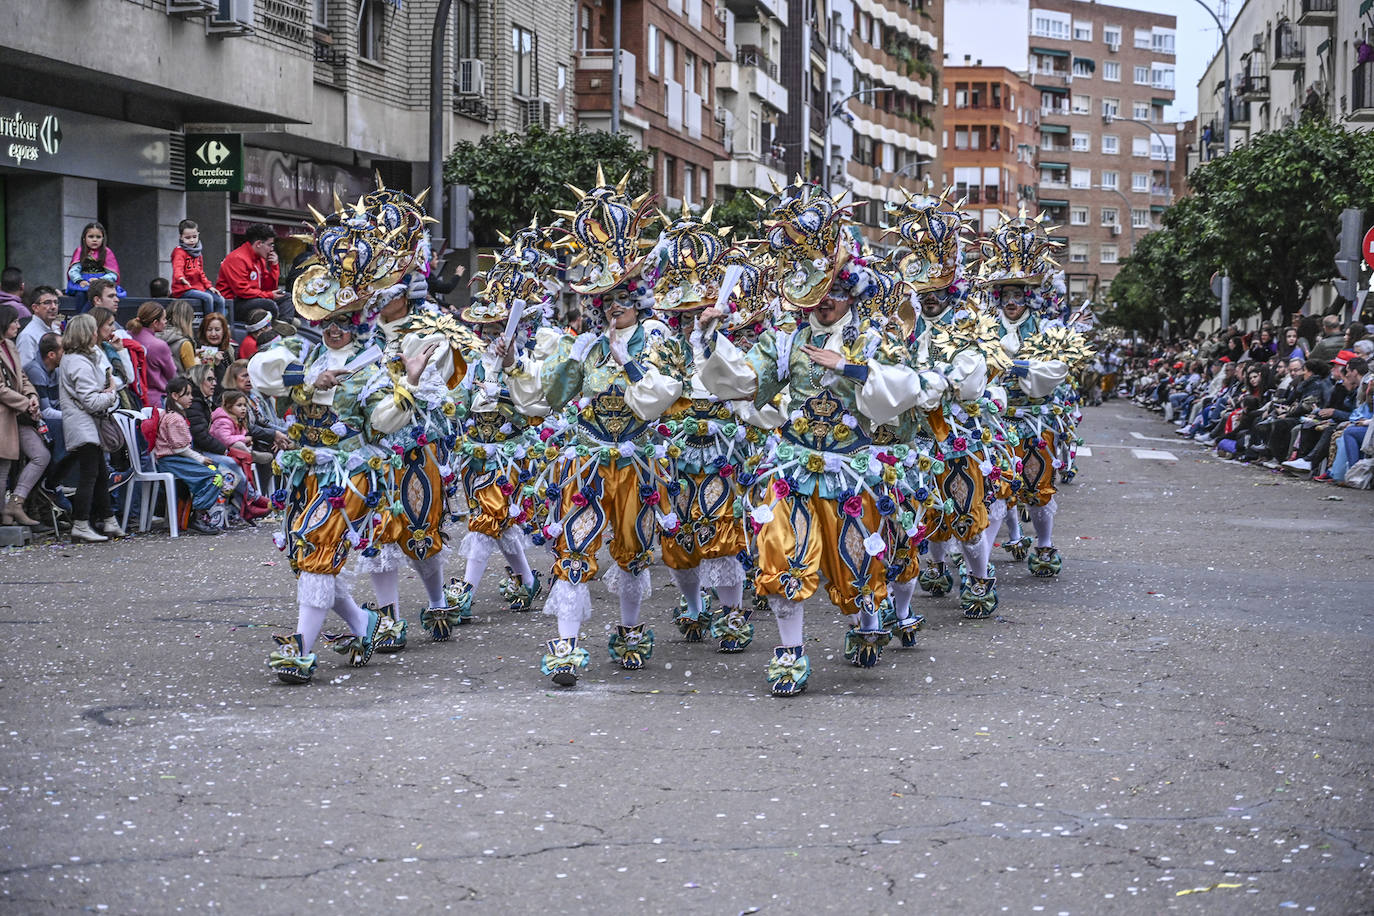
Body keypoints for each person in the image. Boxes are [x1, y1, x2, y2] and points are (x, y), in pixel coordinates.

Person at [505, 172, 684, 686]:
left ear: (638, 297)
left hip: (635, 461)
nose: (611, 309)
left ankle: (629, 629)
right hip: (585, 459)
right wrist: (519, 363)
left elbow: (657, 399)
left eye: (620, 299)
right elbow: (549, 398)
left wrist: (628, 362)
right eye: (603, 302)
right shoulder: (584, 342)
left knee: (631, 550)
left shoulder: (657, 339)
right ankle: (566, 642)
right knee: (574, 549)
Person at [57, 314, 125, 542]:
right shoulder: (77, 362)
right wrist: (112, 392)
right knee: (90, 475)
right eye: (93, 330)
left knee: (99, 474)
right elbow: (92, 401)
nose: (97, 333)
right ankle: (81, 523)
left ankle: (108, 520)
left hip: (88, 424)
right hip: (83, 425)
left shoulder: (84, 356)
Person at [151, 376, 242, 532]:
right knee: (215, 476)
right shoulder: (174, 418)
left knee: (224, 474)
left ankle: (210, 513)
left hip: (180, 458)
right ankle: (196, 514)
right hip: (173, 460)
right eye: (186, 394)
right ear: (175, 396)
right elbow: (179, 448)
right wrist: (200, 458)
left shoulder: (178, 415)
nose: (191, 397)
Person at [1, 303, 50, 525]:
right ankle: (5, 515)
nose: (18, 325)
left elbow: (23, 377)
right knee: (3, 467)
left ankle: (15, 503)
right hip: (5, 417)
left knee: (41, 456)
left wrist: (32, 396)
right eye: (14, 321)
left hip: (18, 415)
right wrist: (25, 403)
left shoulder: (10, 346)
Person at [208, 390, 270, 519]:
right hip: (216, 454)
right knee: (236, 459)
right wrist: (244, 439)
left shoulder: (237, 419)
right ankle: (253, 497)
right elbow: (225, 439)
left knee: (238, 465)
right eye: (239, 405)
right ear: (229, 406)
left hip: (229, 454)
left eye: (244, 405)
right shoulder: (222, 420)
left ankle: (246, 505)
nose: (243, 409)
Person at [216, 224, 286, 322]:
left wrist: (274, 266)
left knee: (287, 298)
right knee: (269, 305)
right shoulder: (237, 258)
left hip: (252, 299)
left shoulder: (259, 259)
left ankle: (283, 324)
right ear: (258, 244)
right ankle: (273, 325)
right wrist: (269, 295)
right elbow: (242, 291)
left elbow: (269, 288)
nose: (272, 249)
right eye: (270, 245)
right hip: (234, 304)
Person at [124, 303, 177, 409]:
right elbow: (172, 375)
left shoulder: (126, 336)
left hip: (131, 398)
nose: (166, 322)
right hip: (155, 401)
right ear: (155, 323)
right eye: (164, 319)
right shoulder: (159, 345)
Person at [170, 219, 227, 315]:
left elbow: (201, 272)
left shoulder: (198, 253)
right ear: (181, 237)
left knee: (220, 299)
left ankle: (219, 323)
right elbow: (177, 267)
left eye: (194, 237)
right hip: (184, 289)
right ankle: (208, 323)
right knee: (208, 298)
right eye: (188, 238)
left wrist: (209, 286)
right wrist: (181, 278)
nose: (192, 240)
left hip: (198, 287)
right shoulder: (179, 252)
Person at [67, 222, 124, 310]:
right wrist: (80, 280)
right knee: (81, 294)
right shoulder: (80, 251)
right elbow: (73, 270)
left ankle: (88, 318)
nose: (95, 240)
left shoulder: (107, 252)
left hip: (102, 284)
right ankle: (81, 319)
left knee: (96, 295)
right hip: (83, 283)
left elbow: (113, 274)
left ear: (103, 238)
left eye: (98, 237)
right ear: (84, 238)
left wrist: (100, 280)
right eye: (91, 237)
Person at [17, 286, 61, 368]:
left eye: (56, 302)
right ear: (35, 307)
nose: (53, 307)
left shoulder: (56, 329)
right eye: (47, 302)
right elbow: (27, 370)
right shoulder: (28, 336)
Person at [196, 312, 235, 385]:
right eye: (209, 330)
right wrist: (216, 364)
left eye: (217, 330)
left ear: (224, 331)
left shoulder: (230, 349)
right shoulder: (201, 352)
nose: (213, 334)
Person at [161, 300, 200, 372]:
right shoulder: (185, 344)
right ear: (187, 320)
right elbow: (193, 375)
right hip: (180, 382)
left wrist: (192, 353)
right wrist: (197, 362)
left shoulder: (156, 335)